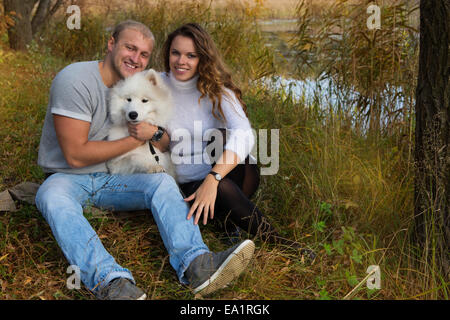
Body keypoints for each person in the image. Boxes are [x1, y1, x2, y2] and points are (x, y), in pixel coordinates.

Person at [35, 20, 255, 300]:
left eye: (143, 54)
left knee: (162, 181)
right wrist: (136, 139)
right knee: (50, 196)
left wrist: (156, 132)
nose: (135, 58)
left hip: (116, 176)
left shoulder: (140, 85)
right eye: (129, 47)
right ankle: (111, 282)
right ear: (111, 43)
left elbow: (162, 139)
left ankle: (197, 263)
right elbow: (75, 155)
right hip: (68, 177)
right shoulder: (76, 80)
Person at [141, 23, 314, 259]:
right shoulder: (154, 83)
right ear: (167, 53)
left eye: (191, 55)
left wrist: (212, 178)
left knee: (237, 164)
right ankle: (283, 245)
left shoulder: (216, 89)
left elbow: (244, 132)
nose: (181, 61)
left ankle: (227, 218)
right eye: (176, 53)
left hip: (224, 174)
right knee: (223, 188)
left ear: (202, 58)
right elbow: (123, 95)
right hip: (187, 182)